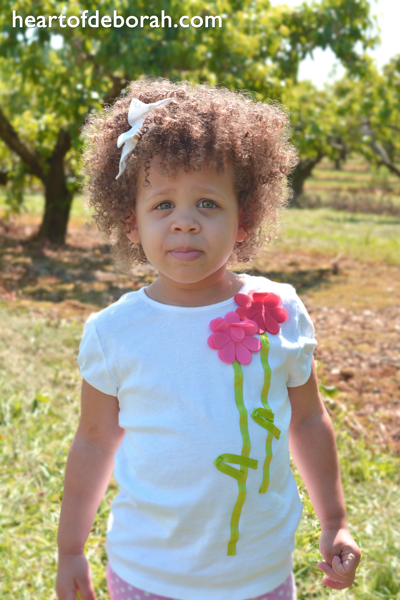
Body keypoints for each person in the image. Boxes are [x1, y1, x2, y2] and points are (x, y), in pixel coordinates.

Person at [56, 78, 361, 600]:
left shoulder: (279, 311)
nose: (185, 224)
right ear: (130, 223)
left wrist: (333, 518)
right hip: (147, 574)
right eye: (162, 206)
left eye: (207, 204)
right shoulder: (113, 334)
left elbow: (309, 419)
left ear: (245, 218)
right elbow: (93, 441)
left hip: (258, 577)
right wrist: (70, 549)